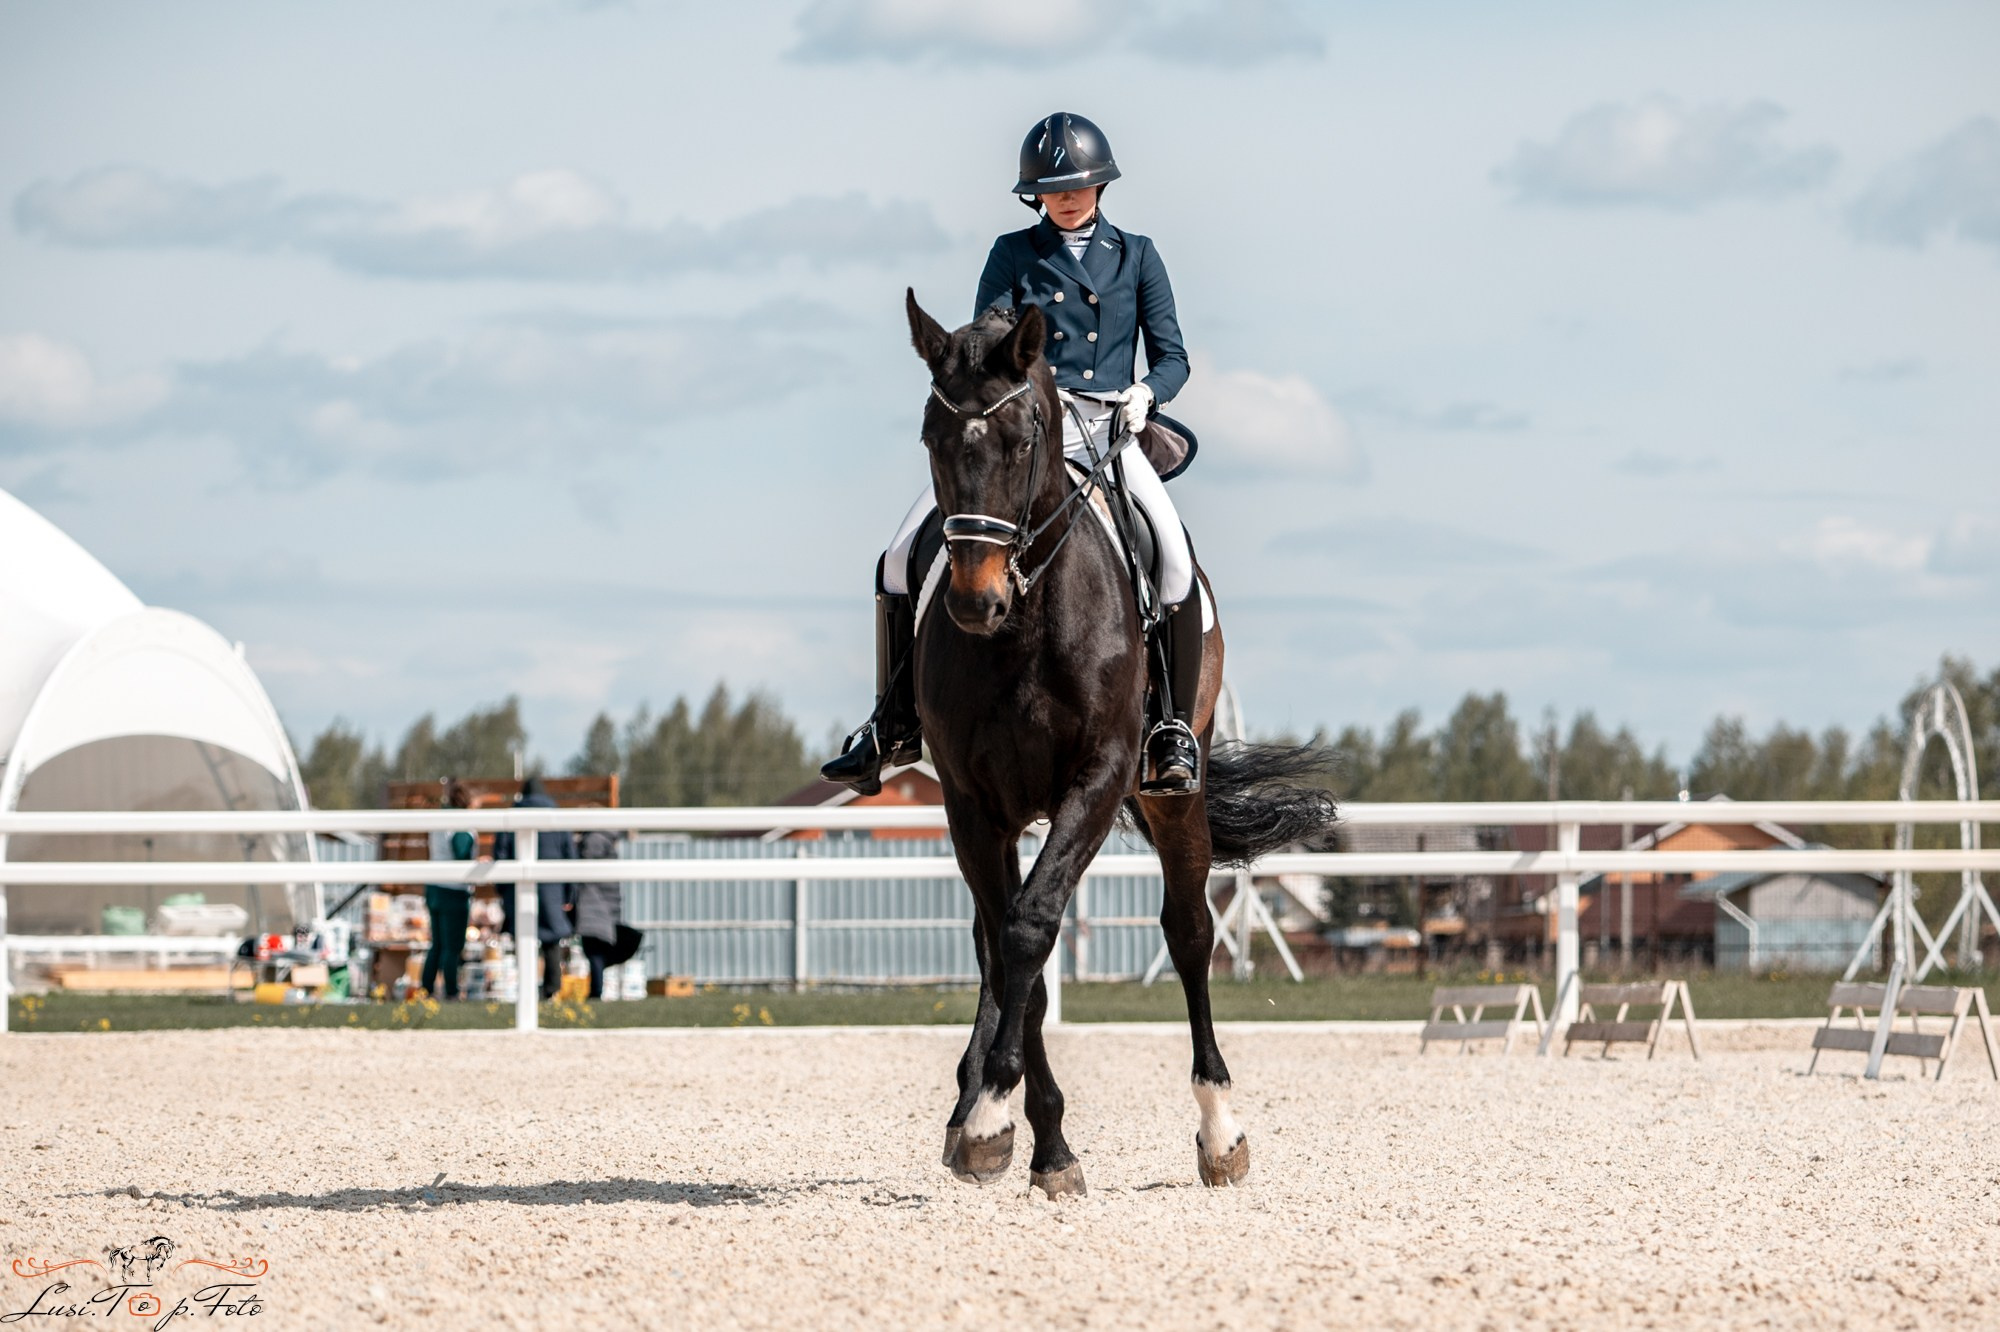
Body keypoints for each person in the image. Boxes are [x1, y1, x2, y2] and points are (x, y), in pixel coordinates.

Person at [821, 110, 1205, 798]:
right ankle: (894, 721)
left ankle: (1171, 725)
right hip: (1018, 431)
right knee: (899, 557)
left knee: (1173, 560)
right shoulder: (1012, 254)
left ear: (1100, 187)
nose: (1067, 197)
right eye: (1054, 187)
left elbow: (1174, 356)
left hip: (1109, 425)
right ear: (1036, 194)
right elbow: (985, 339)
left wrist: (1147, 392)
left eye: (1079, 185)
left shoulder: (1138, 256)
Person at [492, 775, 579, 1000]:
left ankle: (526, 990)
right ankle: (551, 989)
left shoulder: (511, 816)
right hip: (553, 890)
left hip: (517, 889)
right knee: (551, 942)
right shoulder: (556, 817)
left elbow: (500, 854)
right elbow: (570, 857)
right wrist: (569, 893)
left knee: (524, 940)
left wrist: (503, 890)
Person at [420, 779, 479, 1000]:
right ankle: (451, 991)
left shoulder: (439, 820)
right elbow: (462, 852)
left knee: (437, 944)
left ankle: (426, 988)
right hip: (453, 891)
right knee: (452, 946)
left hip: (434, 887)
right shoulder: (461, 824)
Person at [571, 814, 626, 1000]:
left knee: (593, 951)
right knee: (596, 951)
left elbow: (583, 867)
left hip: (594, 904)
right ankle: (596, 990)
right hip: (603, 905)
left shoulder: (593, 840)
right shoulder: (605, 840)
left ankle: (596, 992)